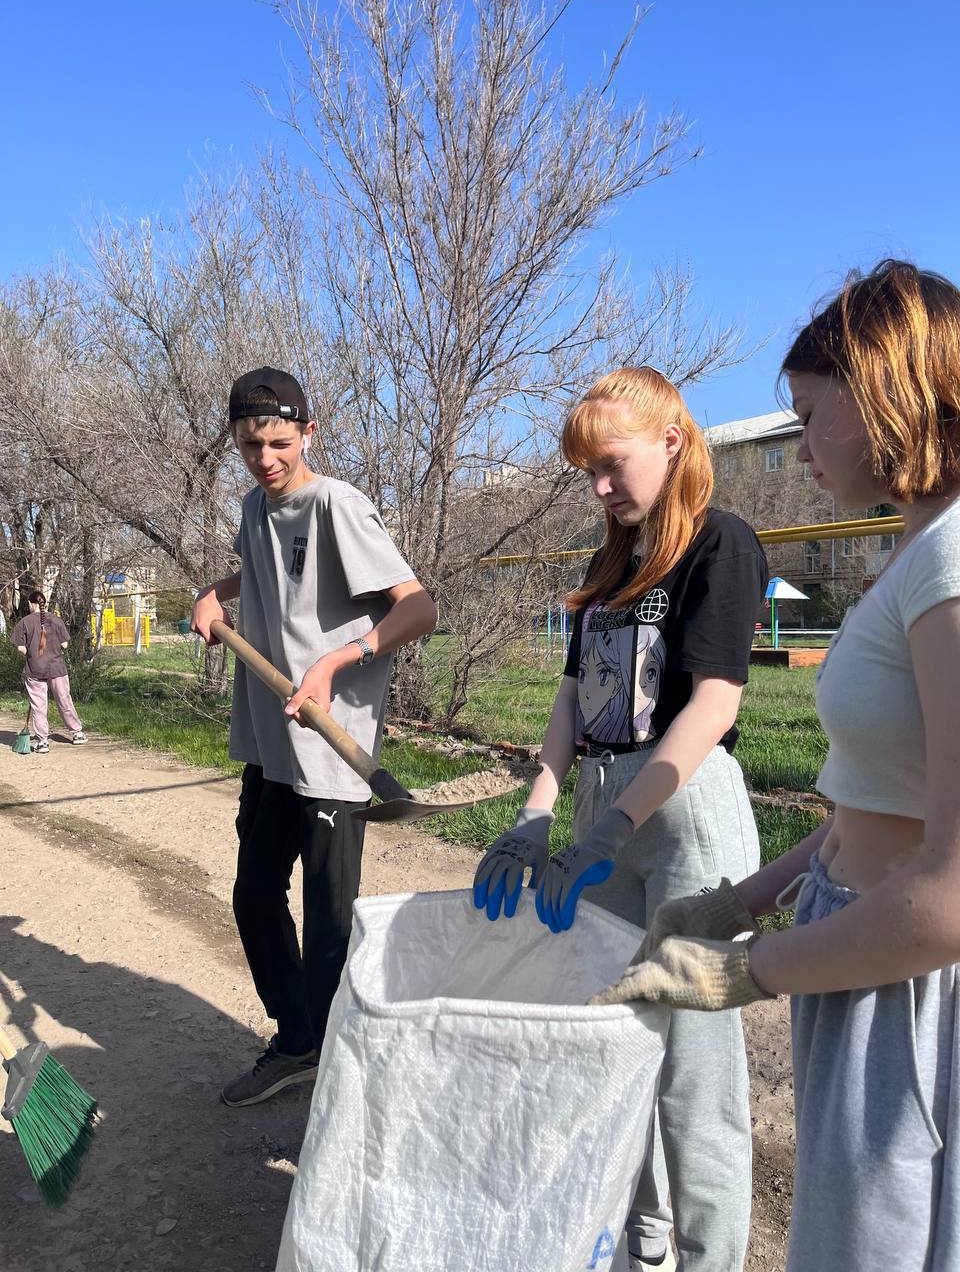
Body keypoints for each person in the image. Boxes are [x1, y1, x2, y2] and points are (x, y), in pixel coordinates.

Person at [593, 260, 960, 1272]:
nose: (799, 448)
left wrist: (743, 968)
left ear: (887, 388)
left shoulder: (952, 559)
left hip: (909, 979)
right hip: (862, 954)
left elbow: (952, 886)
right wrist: (740, 898)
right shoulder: (919, 549)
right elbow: (870, 805)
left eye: (810, 413)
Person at [473, 366, 768, 1272]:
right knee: (619, 1048)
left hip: (687, 818)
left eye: (612, 465)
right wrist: (539, 813)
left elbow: (712, 703)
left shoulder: (721, 544)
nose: (600, 488)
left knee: (694, 1076)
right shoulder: (613, 563)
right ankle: (641, 1255)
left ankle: (710, 1259)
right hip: (610, 808)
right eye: (587, 474)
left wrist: (612, 830)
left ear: (671, 442)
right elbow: (571, 701)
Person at [192, 367, 436, 1108]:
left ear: (308, 432)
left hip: (334, 751)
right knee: (254, 896)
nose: (265, 458)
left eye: (278, 442)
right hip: (273, 746)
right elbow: (260, 570)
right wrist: (215, 593)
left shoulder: (338, 505)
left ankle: (342, 1076)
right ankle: (299, 1042)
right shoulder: (254, 506)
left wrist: (338, 659)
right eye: (249, 444)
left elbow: (417, 607)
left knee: (330, 929)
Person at [11, 590, 87, 753]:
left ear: (32, 604)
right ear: (44, 604)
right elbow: (65, 644)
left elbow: (20, 648)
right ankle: (77, 733)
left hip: (35, 669)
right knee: (64, 700)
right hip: (57, 668)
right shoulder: (56, 620)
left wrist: (32, 653)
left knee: (39, 705)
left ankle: (42, 741)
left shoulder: (24, 622)